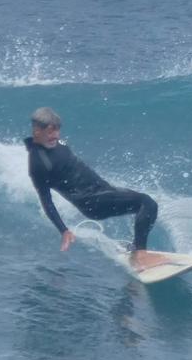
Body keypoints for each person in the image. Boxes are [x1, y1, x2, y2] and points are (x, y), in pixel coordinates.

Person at [24, 107, 161, 271]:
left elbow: (73, 166)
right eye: (50, 132)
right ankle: (141, 255)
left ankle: (135, 249)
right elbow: (46, 201)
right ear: (37, 131)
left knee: (146, 207)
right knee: (147, 202)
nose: (56, 136)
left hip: (104, 190)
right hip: (91, 201)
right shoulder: (38, 163)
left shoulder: (58, 143)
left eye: (57, 131)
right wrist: (64, 231)